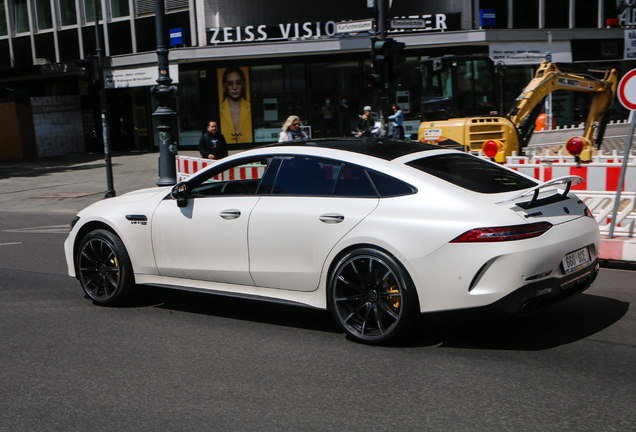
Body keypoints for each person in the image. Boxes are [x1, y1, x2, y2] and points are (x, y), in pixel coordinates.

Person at [219, 67, 253, 144]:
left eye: (238, 83)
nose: (235, 88)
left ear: (243, 83)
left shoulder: (250, 107)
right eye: (230, 84)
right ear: (225, 85)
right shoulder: (219, 109)